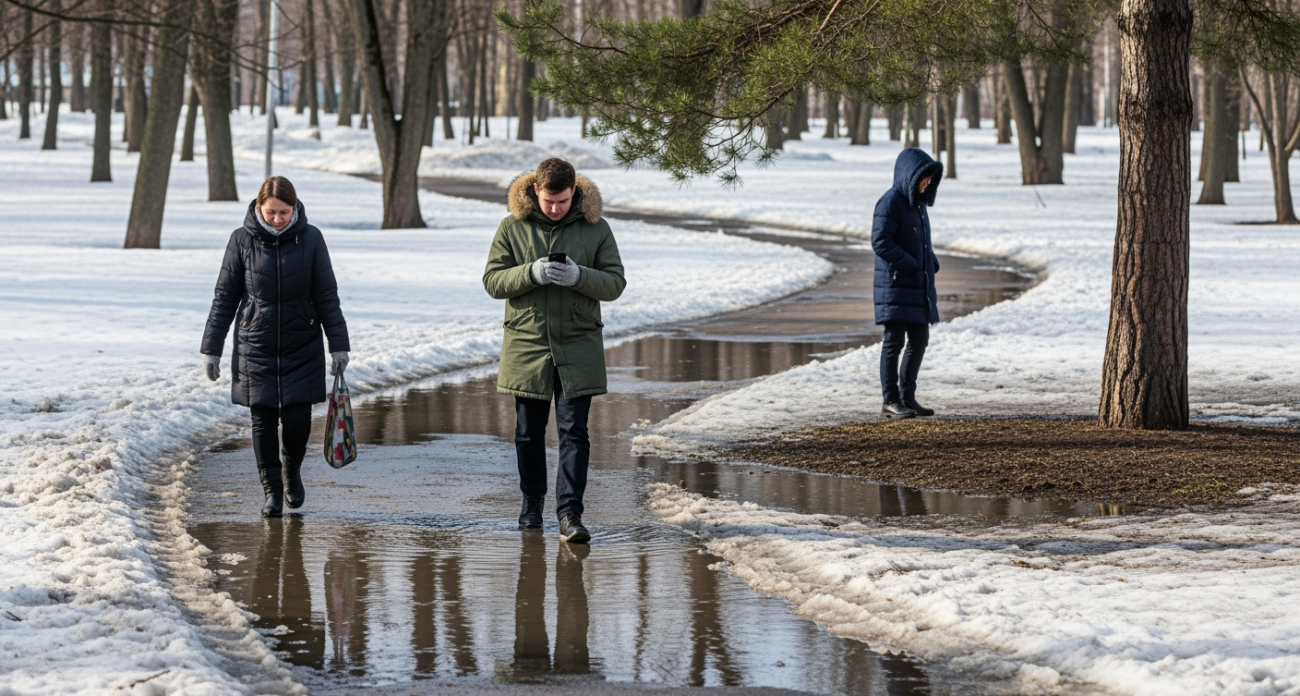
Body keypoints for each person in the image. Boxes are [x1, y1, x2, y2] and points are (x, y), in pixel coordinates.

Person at [483, 158, 626, 543]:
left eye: (562, 201)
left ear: (574, 192)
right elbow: (493, 281)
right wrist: (530, 273)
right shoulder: (512, 227)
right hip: (527, 343)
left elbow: (615, 283)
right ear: (535, 192)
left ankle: (569, 514)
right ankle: (531, 505)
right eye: (548, 201)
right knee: (528, 432)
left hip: (578, 343)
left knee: (574, 433)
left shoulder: (596, 228)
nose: (555, 208)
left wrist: (580, 276)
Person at [201, 176, 350, 517]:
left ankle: (291, 471)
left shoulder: (312, 239)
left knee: (298, 419)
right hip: (256, 343)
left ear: (295, 208)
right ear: (258, 207)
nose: (278, 219)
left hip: (303, 342)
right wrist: (212, 347)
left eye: (284, 212)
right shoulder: (241, 240)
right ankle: (271, 490)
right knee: (263, 420)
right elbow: (224, 297)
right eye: (271, 212)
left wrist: (338, 345)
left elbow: (327, 294)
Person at [871, 148, 943, 419]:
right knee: (894, 341)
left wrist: (930, 260)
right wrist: (911, 264)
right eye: (924, 178)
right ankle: (890, 400)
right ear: (910, 176)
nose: (928, 183)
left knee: (919, 339)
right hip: (895, 286)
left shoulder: (918, 205)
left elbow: (919, 242)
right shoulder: (890, 202)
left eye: (930, 179)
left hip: (916, 286)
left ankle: (907, 398)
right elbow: (881, 242)